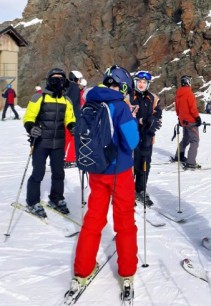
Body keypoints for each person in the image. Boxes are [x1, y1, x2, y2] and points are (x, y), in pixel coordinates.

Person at [65, 65, 139, 302]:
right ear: (124, 86)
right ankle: (126, 272)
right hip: (120, 172)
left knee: (94, 219)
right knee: (124, 221)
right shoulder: (120, 106)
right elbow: (132, 142)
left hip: (96, 171)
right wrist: (131, 118)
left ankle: (82, 270)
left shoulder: (90, 101)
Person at [23, 68, 75, 218]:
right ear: (48, 80)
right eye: (54, 78)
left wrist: (73, 127)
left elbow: (70, 118)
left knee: (59, 173)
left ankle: (56, 199)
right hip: (40, 142)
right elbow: (28, 117)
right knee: (38, 173)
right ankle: (32, 202)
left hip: (58, 143)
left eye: (60, 78)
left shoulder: (66, 100)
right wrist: (31, 128)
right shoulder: (39, 98)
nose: (57, 81)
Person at [129, 70, 162, 207]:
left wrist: (153, 119)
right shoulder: (129, 97)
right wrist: (141, 120)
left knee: (144, 164)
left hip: (148, 136)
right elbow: (125, 116)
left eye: (144, 82)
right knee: (132, 165)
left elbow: (158, 112)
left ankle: (141, 189)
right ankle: (128, 192)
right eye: (139, 82)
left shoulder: (153, 98)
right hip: (132, 136)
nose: (141, 84)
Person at [174, 75, 202, 169]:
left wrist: (180, 118)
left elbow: (177, 109)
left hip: (183, 121)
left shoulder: (178, 94)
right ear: (188, 82)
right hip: (191, 121)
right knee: (194, 140)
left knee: (186, 138)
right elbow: (192, 108)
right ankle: (190, 162)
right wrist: (197, 118)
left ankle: (179, 155)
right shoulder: (189, 93)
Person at [64, 70, 83, 167]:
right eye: (79, 79)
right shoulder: (75, 87)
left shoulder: (66, 86)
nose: (80, 81)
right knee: (74, 138)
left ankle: (61, 157)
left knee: (66, 138)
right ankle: (70, 159)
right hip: (73, 116)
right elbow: (75, 103)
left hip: (65, 116)